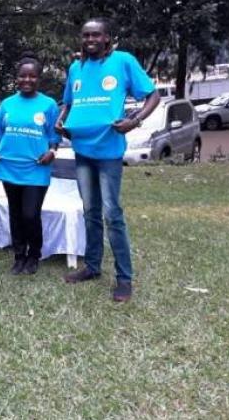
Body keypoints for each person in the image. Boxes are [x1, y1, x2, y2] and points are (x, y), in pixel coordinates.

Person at [56, 18, 160, 302]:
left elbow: (153, 95)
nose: (90, 39)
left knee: (112, 214)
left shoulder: (123, 61)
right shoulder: (76, 68)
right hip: (81, 150)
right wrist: (61, 119)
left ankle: (124, 278)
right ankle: (92, 267)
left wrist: (134, 120)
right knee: (90, 211)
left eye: (96, 35)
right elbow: (69, 102)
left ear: (106, 38)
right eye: (85, 34)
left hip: (109, 151)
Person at [0, 55, 59, 275]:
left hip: (36, 168)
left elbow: (54, 136)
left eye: (32, 76)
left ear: (39, 79)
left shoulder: (48, 104)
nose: (27, 80)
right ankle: (19, 256)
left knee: (30, 214)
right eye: (23, 76)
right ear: (16, 78)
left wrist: (52, 151)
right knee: (15, 213)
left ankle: (34, 255)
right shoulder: (7, 104)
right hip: (9, 166)